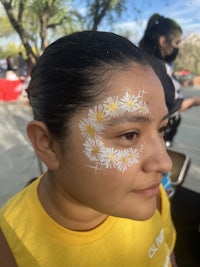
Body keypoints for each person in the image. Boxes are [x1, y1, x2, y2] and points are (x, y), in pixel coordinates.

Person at [0, 31, 178, 266]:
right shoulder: (11, 245)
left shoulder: (152, 197)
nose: (165, 164)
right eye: (129, 135)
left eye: (161, 129)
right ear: (47, 144)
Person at [139, 13, 200, 146]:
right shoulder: (157, 69)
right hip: (160, 137)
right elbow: (172, 106)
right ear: (163, 41)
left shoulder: (143, 60)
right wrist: (195, 101)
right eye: (176, 43)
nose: (177, 48)